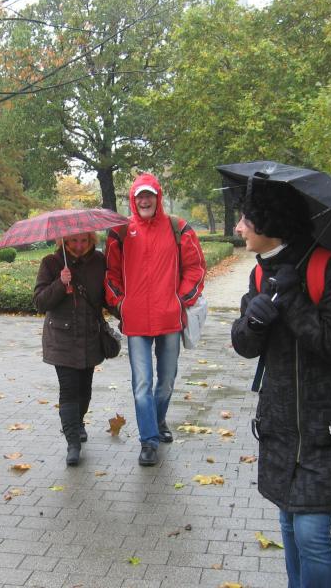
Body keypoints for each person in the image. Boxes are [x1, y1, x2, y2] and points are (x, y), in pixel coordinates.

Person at [231, 179, 331, 588]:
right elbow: (244, 346)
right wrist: (254, 321)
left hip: (327, 425)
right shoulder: (260, 274)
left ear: (269, 222)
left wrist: (292, 301)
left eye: (246, 219)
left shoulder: (328, 268)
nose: (239, 227)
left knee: (311, 533)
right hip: (281, 423)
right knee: (289, 522)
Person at [104, 172, 206, 467]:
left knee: (167, 382)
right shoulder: (120, 232)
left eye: (149, 195)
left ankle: (158, 420)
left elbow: (196, 268)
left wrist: (180, 300)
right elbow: (110, 275)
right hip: (136, 322)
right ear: (133, 200)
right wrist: (121, 304)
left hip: (169, 319)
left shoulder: (178, 228)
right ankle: (149, 441)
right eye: (140, 196)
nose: (145, 200)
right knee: (142, 384)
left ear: (158, 197)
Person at [34, 232, 107, 466]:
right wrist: (60, 282)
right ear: (64, 241)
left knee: (85, 389)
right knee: (69, 390)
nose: (79, 245)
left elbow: (106, 296)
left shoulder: (99, 261)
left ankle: (79, 422)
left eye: (84, 241)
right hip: (62, 338)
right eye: (74, 241)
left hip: (89, 335)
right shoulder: (51, 263)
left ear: (91, 240)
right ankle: (73, 443)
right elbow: (40, 302)